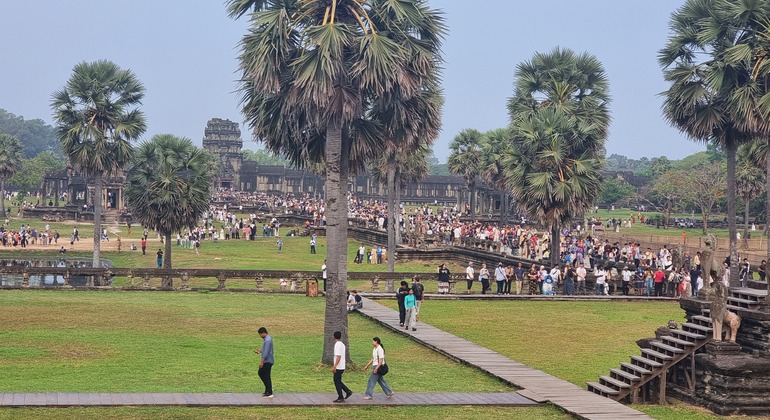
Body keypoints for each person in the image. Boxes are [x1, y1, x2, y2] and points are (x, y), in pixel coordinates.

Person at [331, 331, 352, 403]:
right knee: (338, 381)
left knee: (336, 381)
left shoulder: (337, 345)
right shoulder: (342, 344)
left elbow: (338, 356)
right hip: (342, 366)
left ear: (334, 336)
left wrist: (335, 366)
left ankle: (340, 397)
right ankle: (348, 391)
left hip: (339, 367)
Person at [254, 326, 274, 398]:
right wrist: (260, 351)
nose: (260, 336)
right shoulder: (268, 339)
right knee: (264, 375)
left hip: (267, 361)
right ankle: (267, 390)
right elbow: (266, 350)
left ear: (263, 333)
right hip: (268, 360)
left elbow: (266, 353)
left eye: (260, 334)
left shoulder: (267, 340)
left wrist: (261, 362)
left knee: (264, 375)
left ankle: (269, 391)